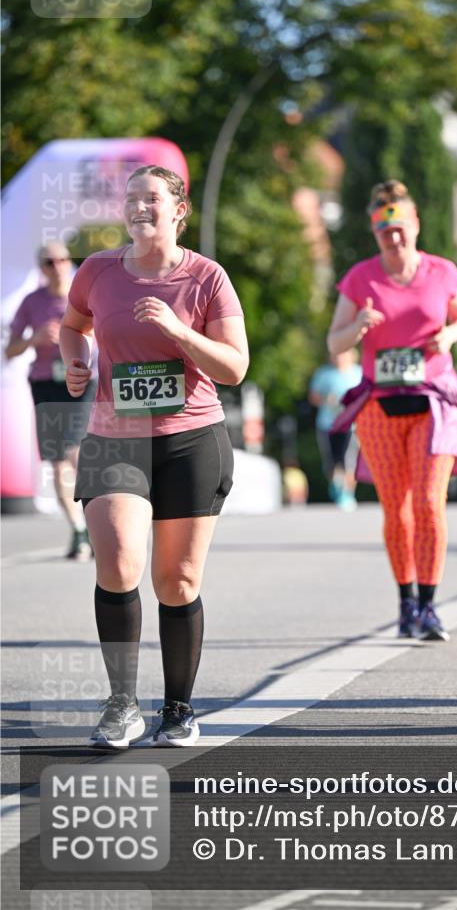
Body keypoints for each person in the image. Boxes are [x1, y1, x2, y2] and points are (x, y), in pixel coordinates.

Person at [60, 164, 249, 747]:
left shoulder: (206, 278)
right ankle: (121, 705)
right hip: (115, 435)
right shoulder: (97, 271)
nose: (139, 207)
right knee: (117, 563)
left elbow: (236, 368)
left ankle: (178, 708)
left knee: (178, 579)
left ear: (178, 210)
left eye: (152, 199)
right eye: (132, 199)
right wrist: (77, 359)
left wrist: (180, 332)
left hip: (191, 439)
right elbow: (73, 326)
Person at [327, 179, 457, 640]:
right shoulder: (360, 278)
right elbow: (333, 340)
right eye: (383, 232)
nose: (393, 239)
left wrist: (449, 336)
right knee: (397, 510)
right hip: (379, 404)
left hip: (433, 400)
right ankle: (406, 604)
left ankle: (431, 607)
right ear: (374, 233)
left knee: (430, 504)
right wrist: (357, 326)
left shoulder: (442, 272)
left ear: (415, 225)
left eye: (400, 229)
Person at [6, 242, 96, 559]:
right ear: (41, 268)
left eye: (61, 260)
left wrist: (79, 338)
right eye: (48, 262)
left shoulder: (85, 294)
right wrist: (35, 338)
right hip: (45, 382)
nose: (56, 266)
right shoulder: (32, 302)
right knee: (57, 460)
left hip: (82, 379)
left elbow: (110, 336)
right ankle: (79, 530)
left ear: (69, 261)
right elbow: (10, 349)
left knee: (75, 451)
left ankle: (99, 523)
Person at [308, 350, 362, 510]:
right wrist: (327, 399)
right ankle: (337, 487)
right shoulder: (324, 374)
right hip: (328, 424)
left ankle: (348, 493)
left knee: (350, 460)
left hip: (352, 424)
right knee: (332, 462)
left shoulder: (359, 372)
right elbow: (313, 397)